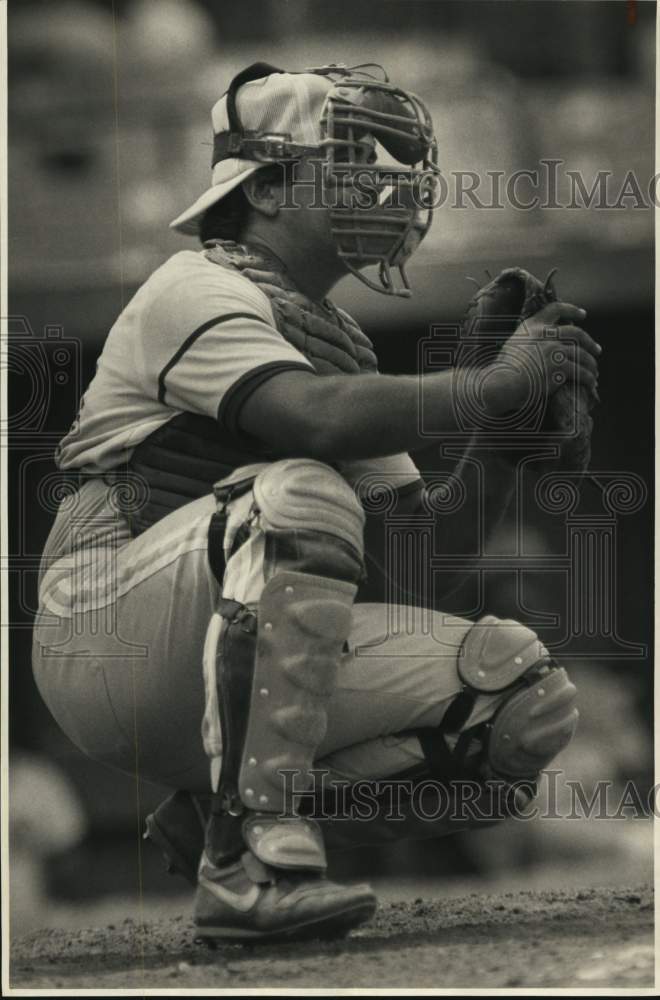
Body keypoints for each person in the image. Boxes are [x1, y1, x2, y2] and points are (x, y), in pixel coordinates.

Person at [32, 62, 598, 942]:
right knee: (301, 494)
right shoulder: (194, 287)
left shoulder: (338, 343)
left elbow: (417, 577)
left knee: (517, 693)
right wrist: (482, 388)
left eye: (390, 164)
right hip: (106, 632)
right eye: (348, 158)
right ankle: (250, 862)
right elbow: (308, 418)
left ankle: (216, 818)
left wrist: (503, 446)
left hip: (215, 663)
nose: (386, 182)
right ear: (263, 186)